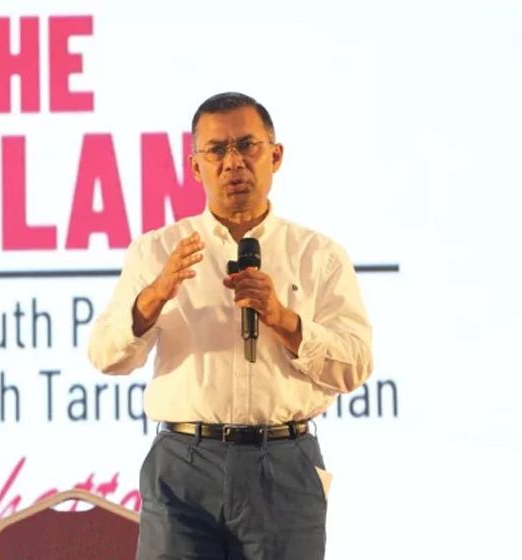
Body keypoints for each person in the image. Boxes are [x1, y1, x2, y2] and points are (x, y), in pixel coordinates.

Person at [88, 92, 373, 560]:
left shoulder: (318, 255)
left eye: (247, 145)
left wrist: (283, 319)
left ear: (275, 156)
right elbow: (105, 355)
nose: (233, 162)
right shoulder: (157, 250)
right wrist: (156, 294)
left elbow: (354, 365)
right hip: (183, 464)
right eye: (217, 150)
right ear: (195, 166)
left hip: (283, 464)